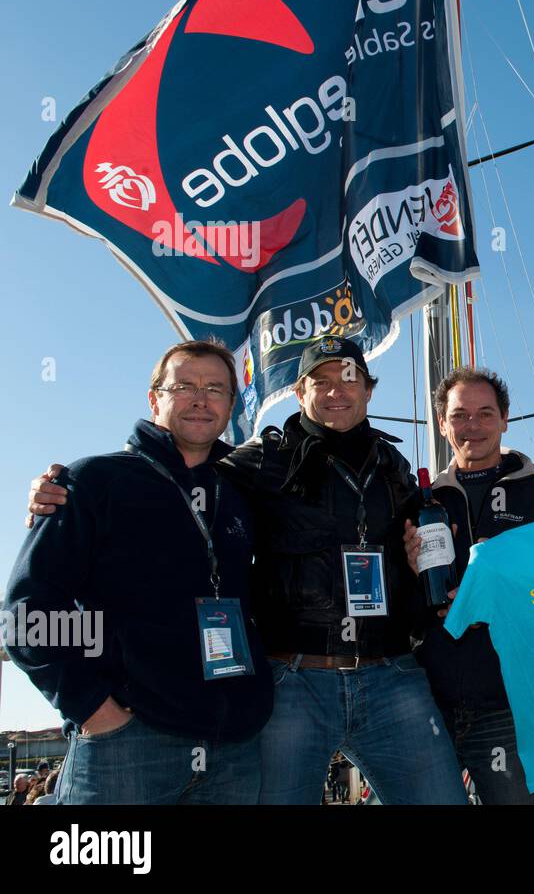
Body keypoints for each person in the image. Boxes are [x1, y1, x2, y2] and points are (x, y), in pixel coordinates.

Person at [25, 336, 468, 805]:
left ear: (369, 391)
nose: (337, 390)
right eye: (321, 381)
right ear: (300, 393)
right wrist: (58, 488)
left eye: (350, 379)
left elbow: (415, 562)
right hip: (293, 682)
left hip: (390, 675)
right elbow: (170, 468)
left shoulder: (395, 468)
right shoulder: (257, 462)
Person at [5, 340, 272, 804]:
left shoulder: (242, 492)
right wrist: (94, 709)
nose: (199, 398)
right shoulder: (92, 482)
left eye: (215, 388)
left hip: (233, 751)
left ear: (232, 403)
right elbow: (30, 610)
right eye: (183, 386)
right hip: (126, 747)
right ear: (155, 399)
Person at [412, 367, 534, 804]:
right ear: (443, 424)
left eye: (485, 414)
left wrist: (502, 585)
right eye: (460, 415)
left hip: (512, 704)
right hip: (429, 702)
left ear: (505, 419)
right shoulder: (417, 502)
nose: (473, 426)